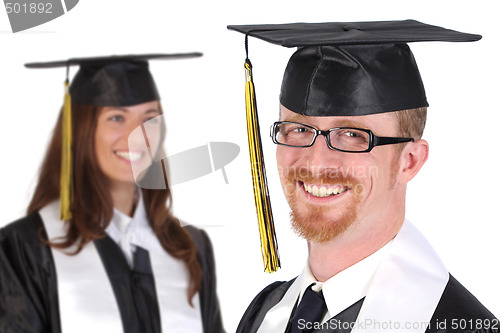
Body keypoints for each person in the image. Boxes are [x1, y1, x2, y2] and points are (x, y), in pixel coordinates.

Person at [228, 20, 498, 332]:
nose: (316, 162)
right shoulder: (265, 312)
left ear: (409, 161)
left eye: (353, 135)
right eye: (299, 129)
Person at [0, 54, 224, 333]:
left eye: (150, 119)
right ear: (80, 129)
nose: (136, 135)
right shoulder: (26, 247)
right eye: (116, 117)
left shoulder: (190, 247)